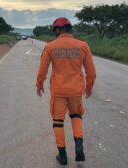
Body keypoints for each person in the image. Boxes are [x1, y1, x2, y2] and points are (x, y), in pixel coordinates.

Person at [36, 17, 96, 165]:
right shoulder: (83, 45)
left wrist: (39, 85)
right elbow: (91, 72)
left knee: (58, 121)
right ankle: (79, 144)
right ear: (70, 29)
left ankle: (62, 155)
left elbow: (42, 71)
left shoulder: (50, 46)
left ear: (57, 30)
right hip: (76, 90)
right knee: (76, 116)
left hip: (59, 90)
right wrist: (89, 88)